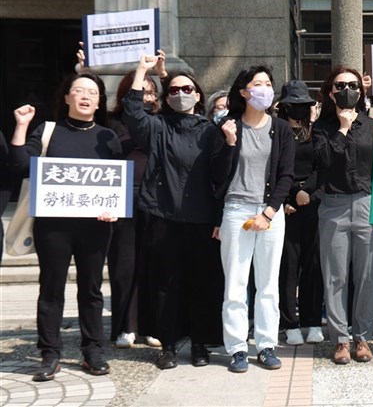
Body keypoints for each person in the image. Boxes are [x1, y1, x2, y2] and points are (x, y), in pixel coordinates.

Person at [10, 72, 122, 381]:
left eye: (93, 92)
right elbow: (20, 166)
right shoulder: (47, 131)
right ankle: (50, 353)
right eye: (79, 90)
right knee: (51, 289)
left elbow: (117, 184)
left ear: (99, 102)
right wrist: (21, 126)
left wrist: (113, 208)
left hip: (95, 228)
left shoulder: (108, 137)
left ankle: (93, 350)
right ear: (66, 97)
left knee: (92, 290)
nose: (86, 96)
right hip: (53, 227)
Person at [123, 54, 225, 370]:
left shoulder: (212, 131)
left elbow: (222, 176)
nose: (181, 94)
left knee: (201, 284)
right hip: (164, 218)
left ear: (198, 95)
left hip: (202, 221)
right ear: (167, 97)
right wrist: (143, 70)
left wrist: (220, 219)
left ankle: (198, 344)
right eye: (175, 90)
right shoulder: (158, 126)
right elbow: (132, 113)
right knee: (165, 284)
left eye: (187, 89)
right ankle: (168, 345)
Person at [211, 65, 295, 372]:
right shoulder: (228, 125)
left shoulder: (281, 128)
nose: (264, 89)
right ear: (244, 92)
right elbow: (217, 176)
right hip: (235, 210)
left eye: (268, 84)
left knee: (268, 284)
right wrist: (229, 143)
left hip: (269, 212)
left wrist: (269, 212)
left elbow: (286, 175)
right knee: (235, 283)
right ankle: (236, 348)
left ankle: (267, 344)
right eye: (257, 84)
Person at [312, 67, 373, 365]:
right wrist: (340, 129)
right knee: (335, 275)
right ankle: (340, 339)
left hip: (367, 203)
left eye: (353, 85)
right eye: (340, 85)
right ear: (330, 91)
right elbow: (323, 161)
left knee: (366, 274)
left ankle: (363, 335)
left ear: (361, 90)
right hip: (333, 205)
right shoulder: (321, 127)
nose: (347, 90)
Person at [105, 69, 163, 349]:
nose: (148, 96)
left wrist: (162, 74)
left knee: (153, 265)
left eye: (153, 92)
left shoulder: (161, 122)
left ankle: (152, 326)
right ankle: (125, 327)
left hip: (156, 200)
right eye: (143, 90)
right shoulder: (114, 122)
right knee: (123, 267)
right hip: (123, 200)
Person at [276, 80, 325, 346]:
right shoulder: (276, 131)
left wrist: (308, 192)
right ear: (283, 107)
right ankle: (289, 322)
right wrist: (288, 196)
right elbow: (273, 169)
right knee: (288, 267)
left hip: (314, 204)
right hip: (285, 206)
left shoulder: (315, 133)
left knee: (313, 266)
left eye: (302, 105)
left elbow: (322, 166)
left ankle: (312, 320)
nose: (298, 109)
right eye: (293, 105)